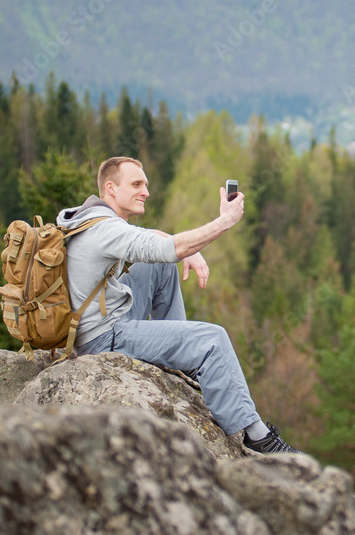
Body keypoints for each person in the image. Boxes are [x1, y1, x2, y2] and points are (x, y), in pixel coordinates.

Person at [56, 156, 300, 455]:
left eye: (145, 184)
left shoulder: (90, 217)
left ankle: (180, 363)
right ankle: (258, 437)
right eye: (136, 184)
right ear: (111, 188)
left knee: (161, 267)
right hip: (102, 337)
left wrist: (180, 250)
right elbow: (168, 248)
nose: (145, 191)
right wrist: (224, 222)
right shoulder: (105, 230)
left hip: (94, 319)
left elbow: (149, 239)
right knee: (212, 339)